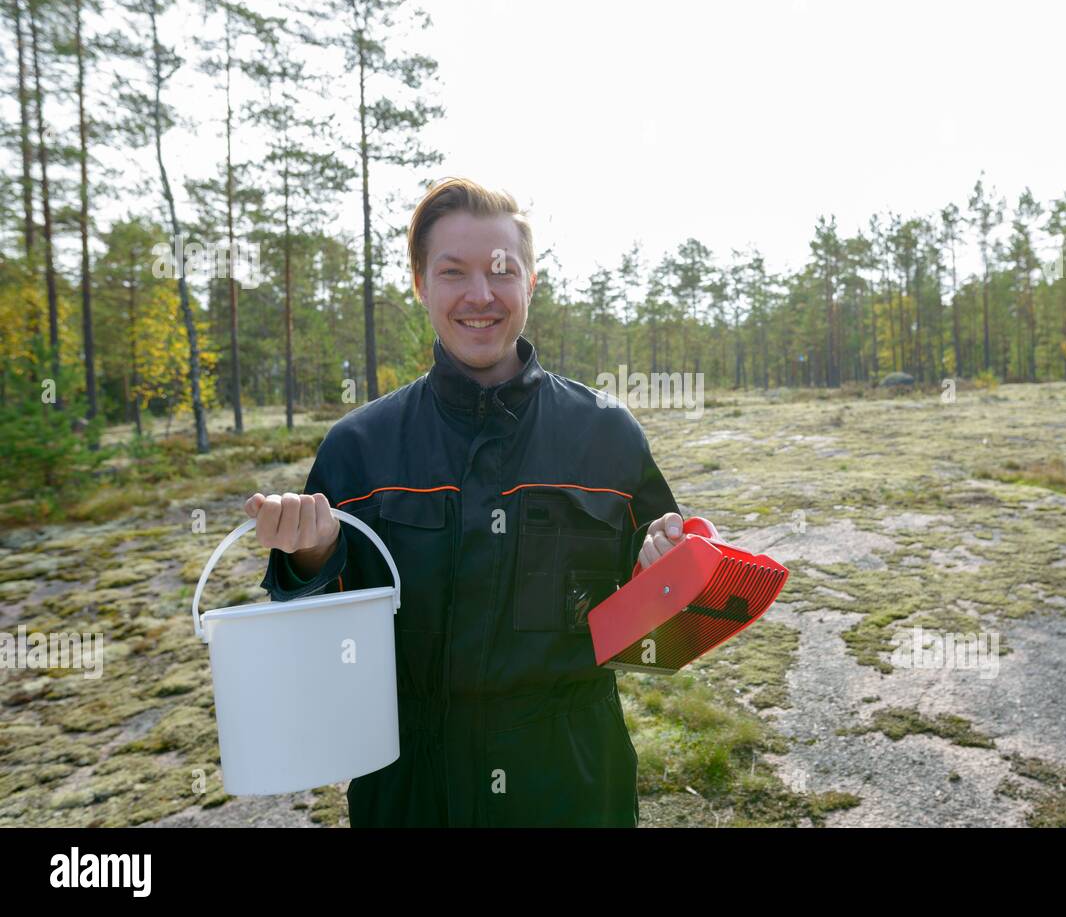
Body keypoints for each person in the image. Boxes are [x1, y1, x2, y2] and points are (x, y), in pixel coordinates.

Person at [245, 177, 719, 827]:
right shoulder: (360, 448)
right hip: (411, 785)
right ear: (419, 284)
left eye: (501, 270)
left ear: (531, 281)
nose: (480, 295)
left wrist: (667, 567)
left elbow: (653, 635)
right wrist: (312, 558)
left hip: (572, 781)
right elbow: (318, 651)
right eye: (452, 272)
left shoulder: (606, 434)